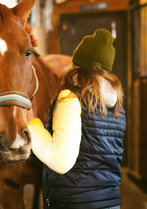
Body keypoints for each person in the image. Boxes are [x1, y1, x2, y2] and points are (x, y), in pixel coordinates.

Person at [28, 28, 126, 209]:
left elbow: (61, 161)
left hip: (75, 203)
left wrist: (31, 123)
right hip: (110, 202)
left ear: (78, 63)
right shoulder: (116, 107)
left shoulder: (71, 98)